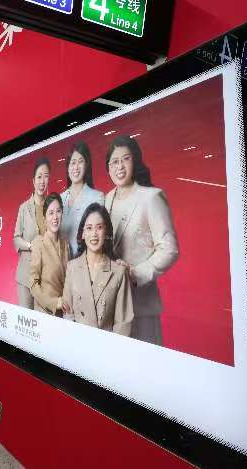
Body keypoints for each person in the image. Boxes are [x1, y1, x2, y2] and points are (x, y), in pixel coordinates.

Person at [104, 136, 179, 345]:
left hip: (141, 305)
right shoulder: (106, 199)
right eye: (114, 162)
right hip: (111, 305)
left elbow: (169, 249)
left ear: (135, 161)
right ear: (108, 168)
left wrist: (135, 274)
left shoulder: (151, 197)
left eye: (125, 159)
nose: (119, 166)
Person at [62, 203, 134, 335]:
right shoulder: (72, 267)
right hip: (76, 342)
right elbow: (68, 314)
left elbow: (123, 324)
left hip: (107, 345)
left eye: (99, 227)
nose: (94, 234)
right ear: (83, 234)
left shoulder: (119, 272)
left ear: (106, 232)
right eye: (89, 228)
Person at [13, 157, 51, 309]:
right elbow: (16, 239)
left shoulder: (52, 207)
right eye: (39, 177)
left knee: (43, 319)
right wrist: (30, 246)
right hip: (25, 275)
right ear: (33, 181)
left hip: (46, 275)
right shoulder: (24, 208)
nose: (42, 181)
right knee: (26, 318)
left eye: (46, 176)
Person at [60, 141, 104, 258]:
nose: (76, 167)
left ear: (86, 165)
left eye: (80, 162)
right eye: (73, 163)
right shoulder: (59, 199)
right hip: (61, 264)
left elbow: (102, 237)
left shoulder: (97, 197)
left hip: (85, 263)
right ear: (68, 167)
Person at [29, 193, 69, 315]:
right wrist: (53, 303)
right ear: (44, 218)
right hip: (45, 312)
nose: (55, 217)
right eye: (51, 213)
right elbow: (33, 284)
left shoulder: (65, 244)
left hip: (64, 312)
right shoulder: (38, 244)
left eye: (58, 211)